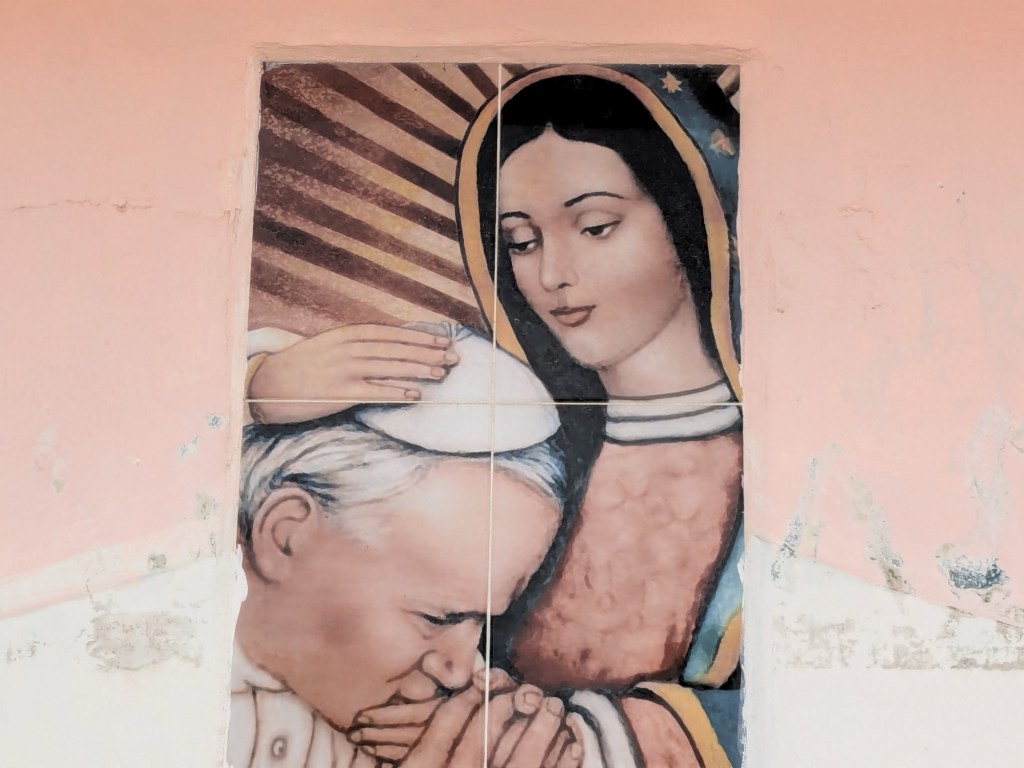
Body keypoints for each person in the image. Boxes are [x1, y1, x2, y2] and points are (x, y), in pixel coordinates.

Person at [244, 65, 744, 767]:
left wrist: (593, 743)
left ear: (689, 217)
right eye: (521, 241)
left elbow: (826, 694)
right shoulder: (510, 450)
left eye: (596, 226)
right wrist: (258, 387)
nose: (552, 275)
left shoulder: (790, 476)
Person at [229, 328, 584, 768]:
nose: (460, 672)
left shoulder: (468, 726)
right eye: (437, 618)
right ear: (285, 535)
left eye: (482, 622)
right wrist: (249, 388)